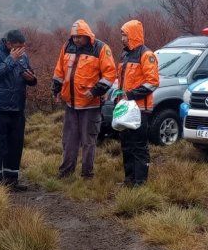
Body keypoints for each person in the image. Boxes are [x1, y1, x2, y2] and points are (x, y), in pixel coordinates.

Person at [52, 19, 117, 179]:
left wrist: (95, 91)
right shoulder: (67, 46)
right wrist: (56, 89)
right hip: (71, 104)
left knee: (88, 141)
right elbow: (59, 70)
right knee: (69, 140)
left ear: (87, 35)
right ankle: (66, 173)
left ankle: (87, 175)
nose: (76, 40)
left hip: (91, 105)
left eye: (79, 37)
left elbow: (110, 74)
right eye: (74, 37)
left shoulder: (101, 48)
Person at [0, 29, 37, 190]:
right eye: (18, 46)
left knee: (15, 145)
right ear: (8, 43)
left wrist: (32, 79)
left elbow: (31, 77)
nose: (21, 49)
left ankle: (11, 180)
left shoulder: (24, 56)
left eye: (23, 46)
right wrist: (11, 59)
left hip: (17, 108)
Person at [117, 19, 159, 186]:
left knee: (139, 146)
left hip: (140, 109)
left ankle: (140, 182)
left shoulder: (146, 55)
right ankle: (129, 179)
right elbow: (120, 80)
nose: (122, 39)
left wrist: (131, 94)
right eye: (122, 35)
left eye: (124, 35)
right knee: (126, 145)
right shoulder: (125, 54)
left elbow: (152, 82)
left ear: (132, 35)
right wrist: (117, 95)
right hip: (126, 108)